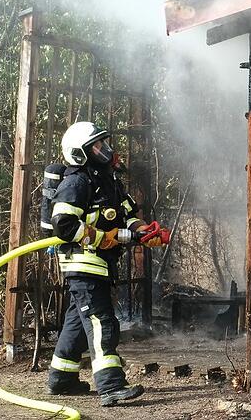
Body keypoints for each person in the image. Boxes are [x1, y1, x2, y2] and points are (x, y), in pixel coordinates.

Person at [47, 121, 167, 406]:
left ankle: (61, 379)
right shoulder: (77, 182)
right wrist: (100, 238)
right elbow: (62, 224)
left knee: (77, 323)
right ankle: (111, 386)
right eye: (98, 146)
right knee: (103, 322)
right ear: (80, 153)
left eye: (104, 144)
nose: (106, 150)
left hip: (99, 264)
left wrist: (144, 232)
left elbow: (127, 216)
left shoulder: (108, 180)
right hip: (83, 263)